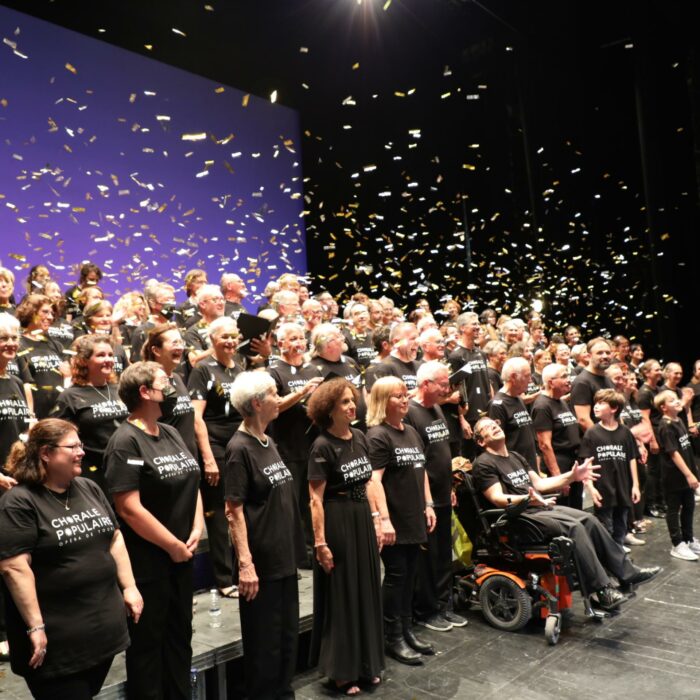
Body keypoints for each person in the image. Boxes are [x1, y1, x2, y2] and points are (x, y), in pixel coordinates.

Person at [0, 418, 142, 700]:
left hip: (102, 639)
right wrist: (36, 626)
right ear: (46, 453)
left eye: (81, 444)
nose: (82, 451)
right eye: (73, 446)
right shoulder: (20, 502)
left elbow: (114, 538)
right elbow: (14, 568)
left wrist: (129, 586)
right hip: (57, 648)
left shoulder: (88, 488)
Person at [471, 417, 661, 609]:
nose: (494, 426)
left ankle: (627, 573)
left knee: (589, 519)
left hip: (539, 508)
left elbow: (540, 484)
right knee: (573, 527)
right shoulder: (483, 463)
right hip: (518, 517)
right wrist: (527, 499)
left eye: (494, 423)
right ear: (481, 441)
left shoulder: (514, 456)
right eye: (487, 427)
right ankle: (602, 590)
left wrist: (572, 477)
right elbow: (496, 497)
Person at [104, 362, 203, 700]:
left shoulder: (170, 431)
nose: (172, 383)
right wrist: (172, 545)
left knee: (180, 640)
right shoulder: (125, 441)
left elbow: (193, 479)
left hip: (182, 554)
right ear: (144, 392)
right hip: (149, 561)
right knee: (149, 648)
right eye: (165, 380)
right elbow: (128, 508)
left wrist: (197, 525)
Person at [224, 371, 305, 700]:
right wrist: (246, 564)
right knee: (264, 647)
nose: (280, 398)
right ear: (257, 403)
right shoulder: (238, 449)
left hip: (284, 558)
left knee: (286, 639)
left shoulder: (268, 441)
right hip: (261, 564)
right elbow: (234, 510)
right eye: (274, 394)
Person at [307, 378, 385, 695]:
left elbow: (368, 483)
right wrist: (321, 543)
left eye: (353, 400)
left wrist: (378, 518)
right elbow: (315, 499)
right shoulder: (321, 446)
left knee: (366, 591)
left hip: (361, 519)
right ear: (328, 409)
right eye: (344, 402)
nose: (352, 406)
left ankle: (366, 663)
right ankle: (341, 669)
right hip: (337, 520)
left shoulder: (361, 437)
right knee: (343, 595)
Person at [367, 377, 437, 666]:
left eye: (406, 394)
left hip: (414, 514)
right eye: (398, 396)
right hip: (394, 517)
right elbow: (373, 481)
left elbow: (421, 471)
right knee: (396, 576)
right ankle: (391, 637)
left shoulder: (410, 431)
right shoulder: (378, 436)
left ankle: (407, 631)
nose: (405, 400)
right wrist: (383, 519)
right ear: (384, 402)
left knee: (410, 576)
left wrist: (429, 504)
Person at [405, 362, 468, 632]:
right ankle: (426, 610)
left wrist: (451, 488)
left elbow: (442, 452)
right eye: (443, 384)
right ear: (426, 384)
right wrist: (426, 500)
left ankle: (443, 606)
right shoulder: (410, 413)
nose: (447, 389)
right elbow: (416, 461)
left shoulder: (438, 409)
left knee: (444, 555)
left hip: (443, 494)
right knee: (427, 559)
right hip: (424, 499)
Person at [188, 316, 242, 597]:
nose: (231, 342)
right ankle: (223, 579)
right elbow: (196, 417)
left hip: (240, 447)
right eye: (225, 337)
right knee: (220, 515)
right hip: (216, 447)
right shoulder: (203, 370)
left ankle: (244, 568)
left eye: (234, 336)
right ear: (212, 340)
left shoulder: (239, 366)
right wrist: (208, 457)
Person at [267, 322, 324, 565]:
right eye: (292, 339)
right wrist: (302, 392)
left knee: (312, 500)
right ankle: (295, 554)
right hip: (287, 446)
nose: (299, 343)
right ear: (280, 344)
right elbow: (275, 406)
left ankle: (314, 550)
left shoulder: (312, 368)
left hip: (313, 443)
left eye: (301, 338)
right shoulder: (273, 372)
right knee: (291, 504)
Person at [50, 335, 128, 495]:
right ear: (84, 361)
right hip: (93, 472)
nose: (108, 359)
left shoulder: (120, 389)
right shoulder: (70, 396)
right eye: (101, 355)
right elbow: (57, 437)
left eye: (110, 355)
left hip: (125, 466)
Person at [580, 390, 640, 547]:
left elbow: (631, 458)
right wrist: (591, 488)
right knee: (605, 529)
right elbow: (587, 463)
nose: (595, 406)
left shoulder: (625, 432)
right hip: (602, 489)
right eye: (596, 402)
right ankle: (608, 564)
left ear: (613, 408)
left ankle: (619, 559)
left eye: (601, 403)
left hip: (623, 488)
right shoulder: (591, 432)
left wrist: (635, 485)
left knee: (621, 528)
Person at [655, 390, 700, 561]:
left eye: (676, 399)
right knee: (673, 509)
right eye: (672, 400)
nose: (677, 402)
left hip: (687, 472)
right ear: (663, 407)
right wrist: (689, 475)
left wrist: (693, 470)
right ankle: (677, 543)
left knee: (689, 506)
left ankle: (688, 539)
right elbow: (673, 453)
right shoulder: (666, 426)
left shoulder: (679, 420)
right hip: (674, 476)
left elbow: (685, 448)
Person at [141, 324, 197, 458]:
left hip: (189, 456)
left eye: (180, 342)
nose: (180, 347)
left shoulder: (177, 377)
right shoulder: (149, 381)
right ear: (156, 350)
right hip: (166, 457)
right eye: (174, 343)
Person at [531, 364, 581, 506]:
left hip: (572, 460)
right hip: (559, 463)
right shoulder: (542, 406)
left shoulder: (561, 401)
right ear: (551, 382)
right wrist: (558, 477)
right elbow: (544, 445)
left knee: (577, 507)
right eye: (564, 376)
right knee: (565, 508)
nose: (569, 380)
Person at [16, 294, 70, 419]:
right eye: (45, 312)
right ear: (30, 312)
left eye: (52, 313)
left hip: (59, 414)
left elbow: (67, 377)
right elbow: (24, 384)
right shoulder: (18, 344)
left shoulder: (56, 345)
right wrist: (30, 417)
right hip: (35, 415)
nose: (50, 317)